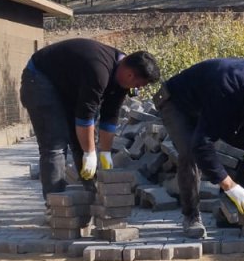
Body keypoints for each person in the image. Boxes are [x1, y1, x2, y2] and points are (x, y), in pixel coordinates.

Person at [154, 58, 244, 238]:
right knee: (189, 151)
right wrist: (229, 186)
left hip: (214, 103)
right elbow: (202, 144)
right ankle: (192, 216)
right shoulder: (226, 89)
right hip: (179, 103)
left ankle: (231, 209)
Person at [19, 38, 160, 197]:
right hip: (39, 79)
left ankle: (91, 197)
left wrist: (105, 153)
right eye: (139, 85)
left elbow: (110, 116)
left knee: (83, 143)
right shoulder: (99, 71)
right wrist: (91, 153)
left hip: (66, 86)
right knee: (56, 144)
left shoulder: (122, 74)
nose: (138, 89)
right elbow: (85, 118)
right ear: (129, 74)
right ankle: (57, 206)